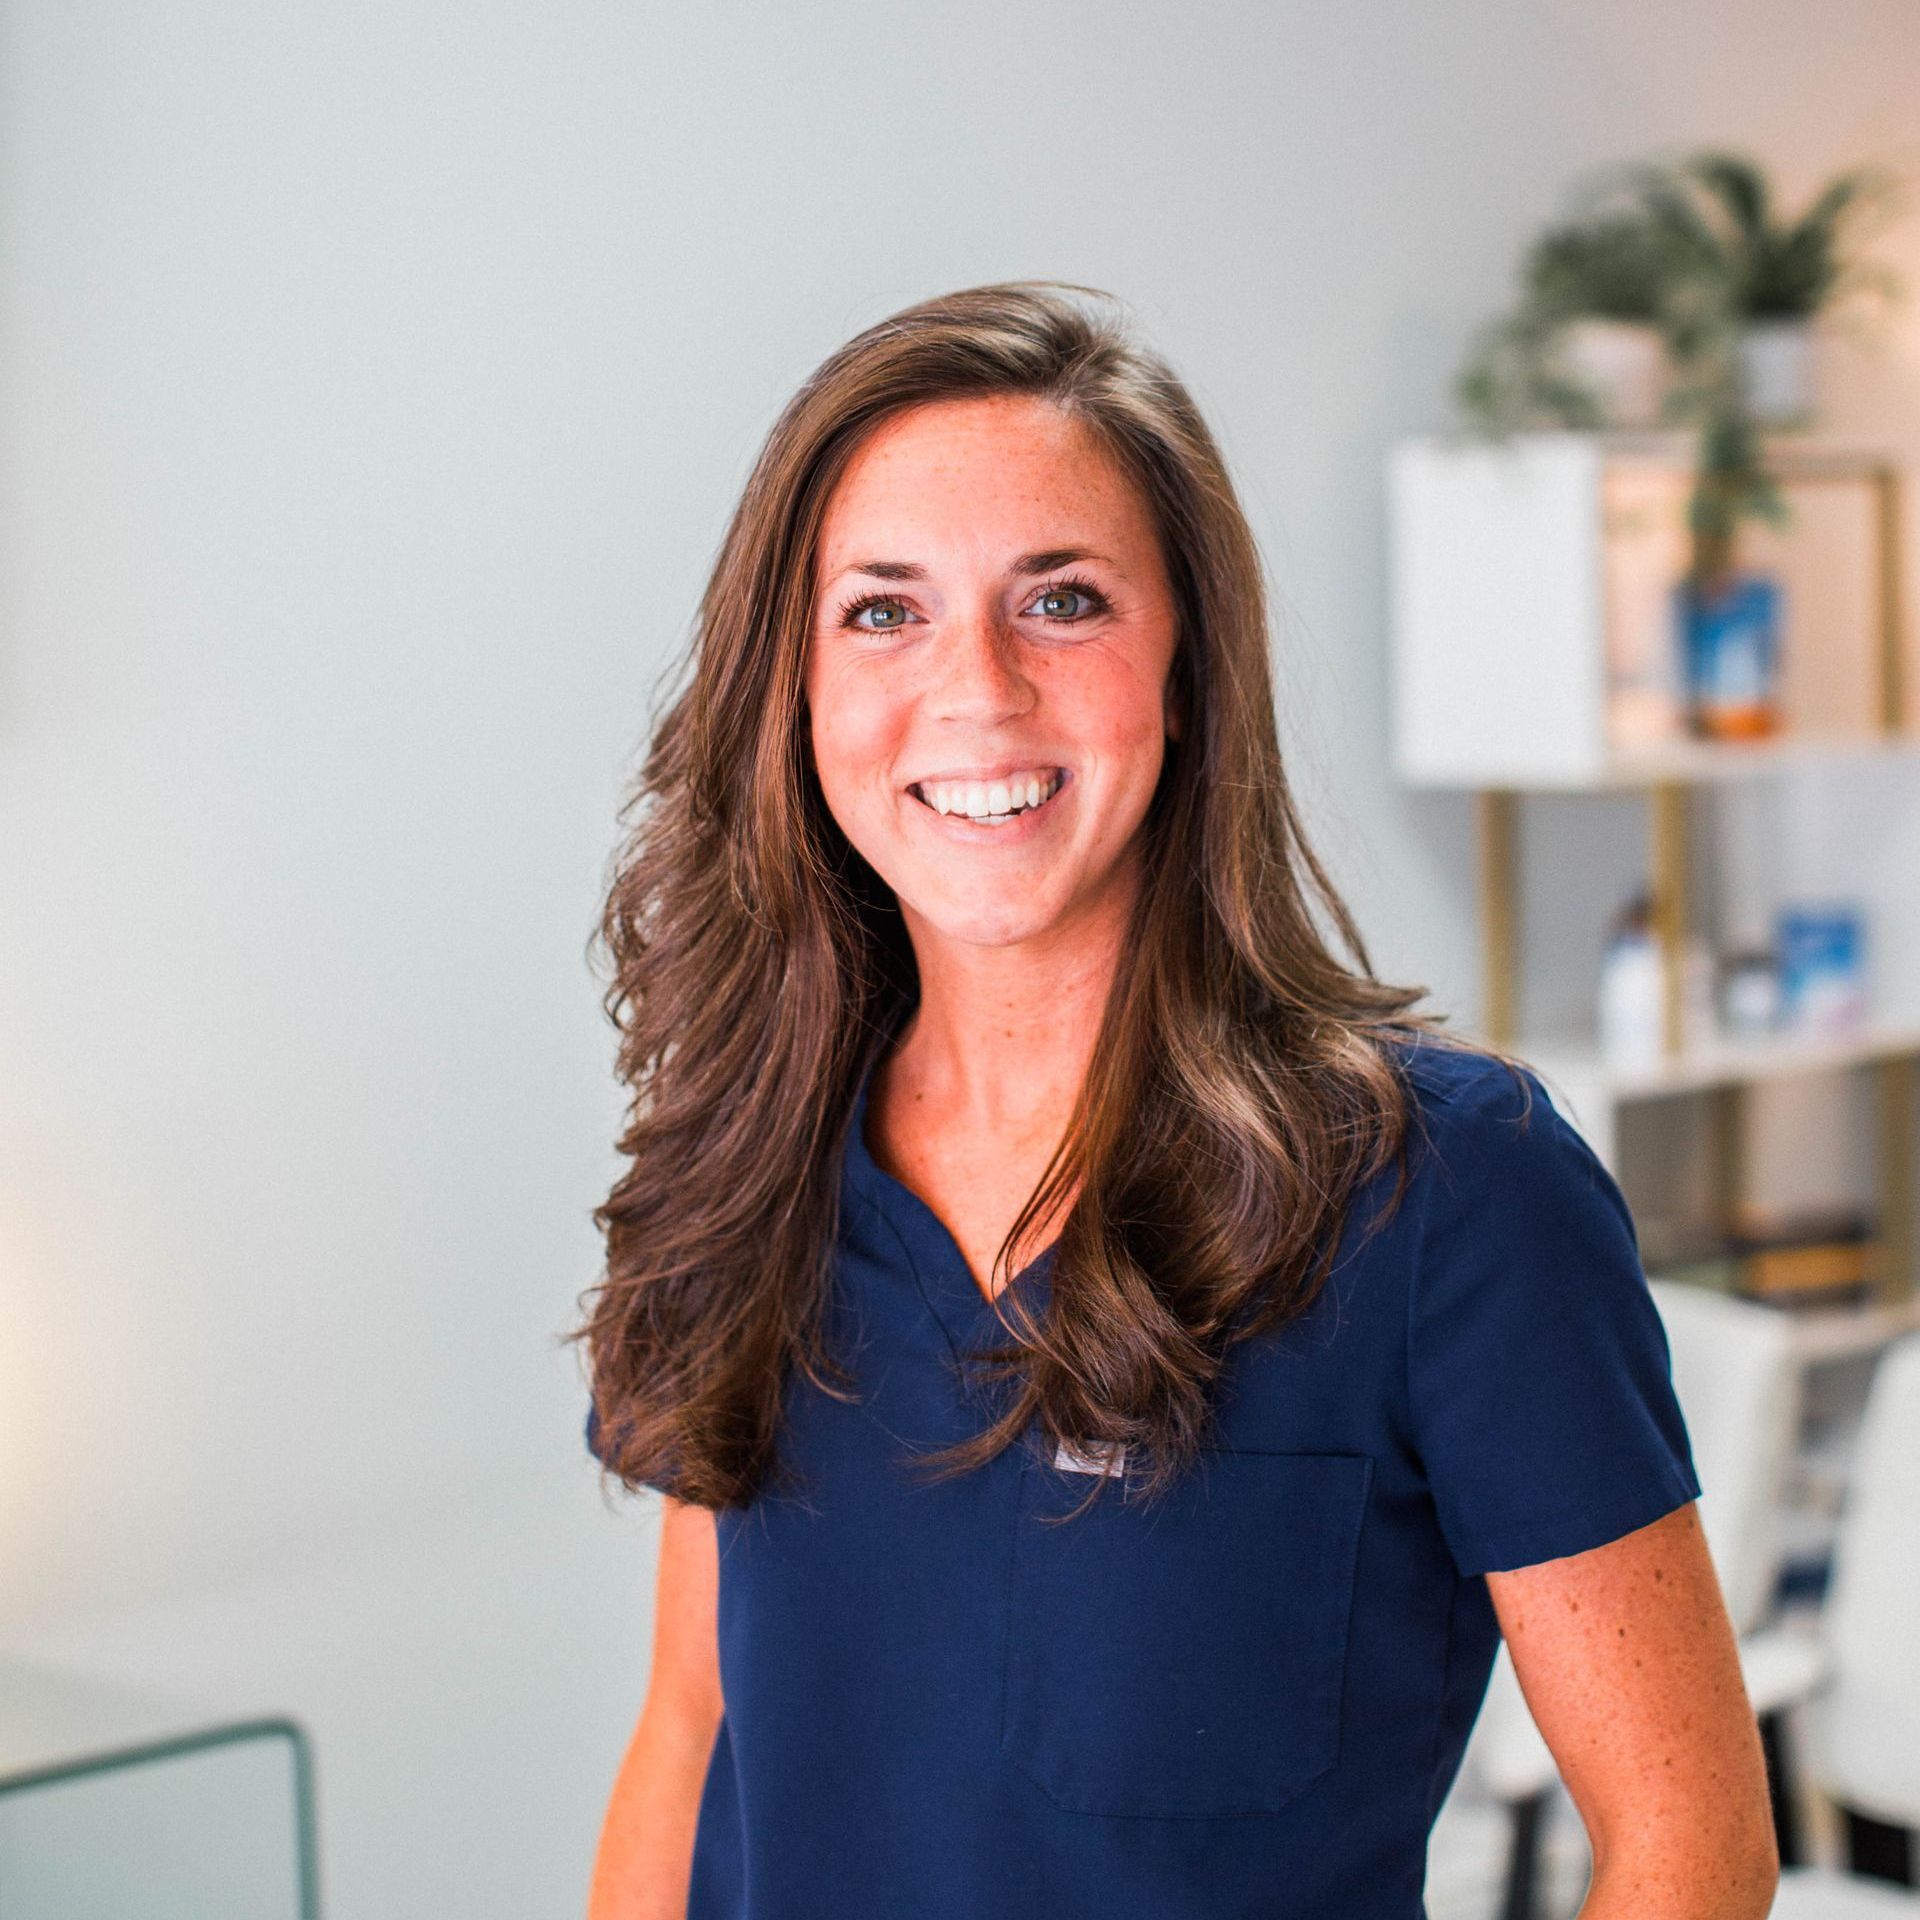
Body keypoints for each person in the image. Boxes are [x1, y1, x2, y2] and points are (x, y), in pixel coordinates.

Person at [569, 281, 1778, 1919]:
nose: (976, 689)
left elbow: (1690, 1850)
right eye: (882, 611)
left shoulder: (1454, 1194)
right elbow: (691, 1734)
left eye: (1061, 600)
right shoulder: (757, 1164)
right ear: (797, 693)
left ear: (1188, 672)